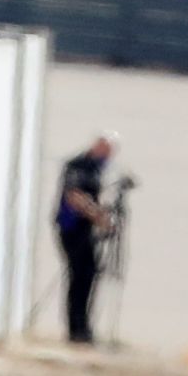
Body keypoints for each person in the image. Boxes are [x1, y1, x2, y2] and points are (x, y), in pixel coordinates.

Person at [53, 133, 118, 344]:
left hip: (86, 229)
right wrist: (99, 217)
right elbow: (75, 197)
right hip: (71, 227)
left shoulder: (98, 169)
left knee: (89, 275)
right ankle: (75, 328)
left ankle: (84, 326)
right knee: (78, 275)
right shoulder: (77, 165)